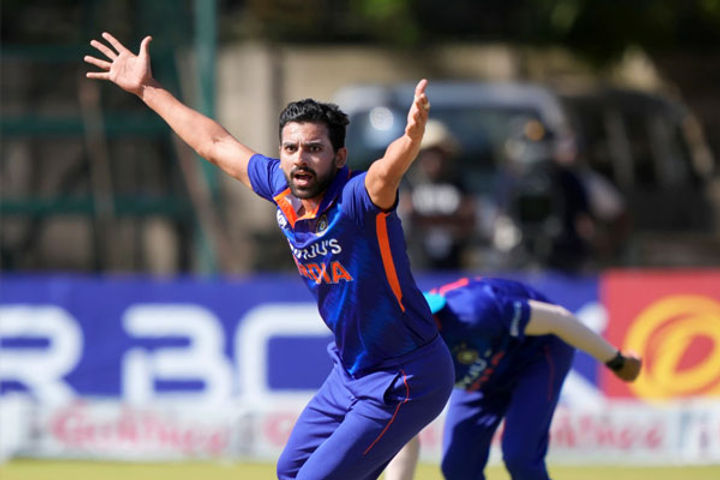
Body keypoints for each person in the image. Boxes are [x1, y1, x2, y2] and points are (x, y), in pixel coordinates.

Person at [84, 33, 454, 479]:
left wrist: (410, 141)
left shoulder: (357, 199)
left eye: (314, 149)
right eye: (291, 148)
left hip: (406, 376)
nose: (300, 160)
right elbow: (213, 143)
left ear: (339, 157)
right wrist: (148, 89)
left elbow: (385, 173)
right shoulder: (280, 185)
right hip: (350, 373)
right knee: (291, 470)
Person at [384, 276, 642, 480]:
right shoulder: (400, 358)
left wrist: (616, 361)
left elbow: (559, 319)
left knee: (520, 457)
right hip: (483, 381)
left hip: (537, 356)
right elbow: (403, 435)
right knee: (457, 467)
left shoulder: (474, 310)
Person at [399, 120, 476, 270]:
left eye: (438, 154)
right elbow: (403, 217)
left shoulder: (458, 182)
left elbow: (469, 217)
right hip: (418, 267)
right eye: (428, 154)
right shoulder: (409, 182)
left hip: (454, 266)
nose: (434, 161)